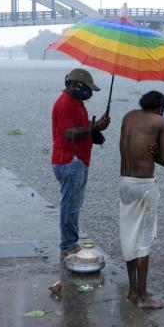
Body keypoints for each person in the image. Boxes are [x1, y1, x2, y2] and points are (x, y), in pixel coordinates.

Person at [118, 90, 164, 309]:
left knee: (129, 236)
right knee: (143, 241)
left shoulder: (128, 116)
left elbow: (124, 147)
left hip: (125, 182)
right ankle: (142, 297)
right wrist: (157, 151)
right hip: (143, 186)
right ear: (160, 108)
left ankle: (132, 291)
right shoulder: (160, 121)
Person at [51, 68, 110, 258]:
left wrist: (95, 130)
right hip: (69, 160)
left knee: (75, 203)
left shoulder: (77, 103)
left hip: (79, 160)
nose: (87, 92)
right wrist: (93, 127)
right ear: (72, 84)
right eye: (85, 87)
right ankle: (68, 245)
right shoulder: (65, 104)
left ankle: (71, 242)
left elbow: (80, 130)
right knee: (70, 204)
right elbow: (69, 133)